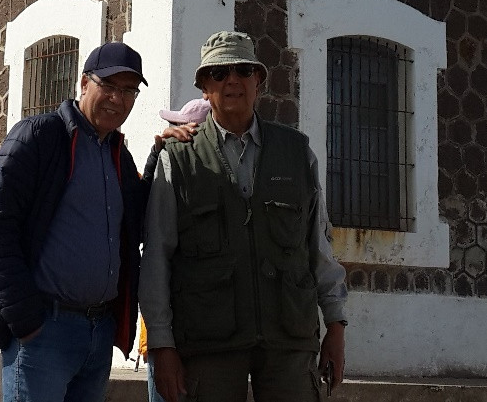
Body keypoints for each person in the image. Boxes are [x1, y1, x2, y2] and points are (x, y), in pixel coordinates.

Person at [140, 31, 348, 401]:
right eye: (219, 73)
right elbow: (156, 256)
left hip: (288, 337)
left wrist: (336, 324)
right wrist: (161, 343)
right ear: (204, 88)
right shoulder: (178, 158)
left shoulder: (297, 152)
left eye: (243, 70)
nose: (232, 80)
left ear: (259, 81)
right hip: (208, 340)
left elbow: (319, 246)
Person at [0, 42, 150, 402]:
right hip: (44, 331)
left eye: (128, 91)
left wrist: (164, 153)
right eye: (108, 86)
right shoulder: (39, 136)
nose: (117, 99)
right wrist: (26, 319)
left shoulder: (119, 156)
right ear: (84, 83)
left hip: (98, 334)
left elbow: (137, 224)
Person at [139, 99, 210, 402]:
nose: (171, 131)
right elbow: (141, 218)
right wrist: (157, 153)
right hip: (165, 331)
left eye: (179, 126)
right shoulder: (166, 164)